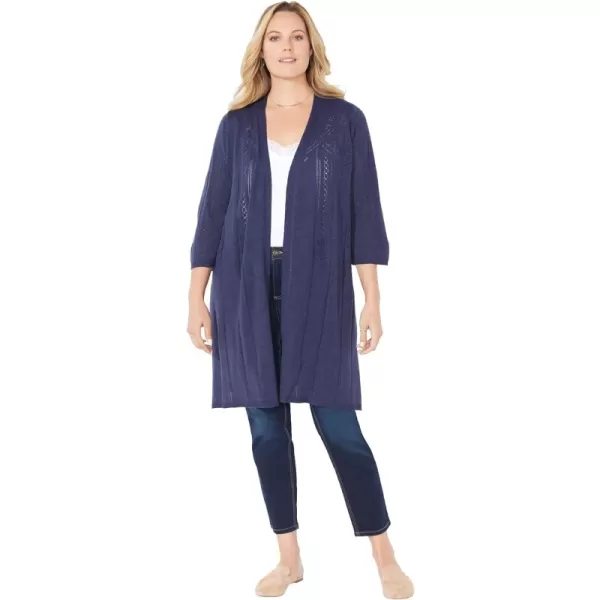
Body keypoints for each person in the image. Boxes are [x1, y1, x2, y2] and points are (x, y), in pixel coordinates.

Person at [187, 2, 414, 598]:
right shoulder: (236, 125)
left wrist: (371, 299)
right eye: (274, 37)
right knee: (266, 428)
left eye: (296, 36)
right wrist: (196, 297)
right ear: (260, 49)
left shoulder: (345, 121)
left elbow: (364, 211)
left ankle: (384, 555)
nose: (286, 47)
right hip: (242, 285)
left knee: (338, 424)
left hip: (319, 284)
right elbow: (212, 212)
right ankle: (288, 558)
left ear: (311, 46)